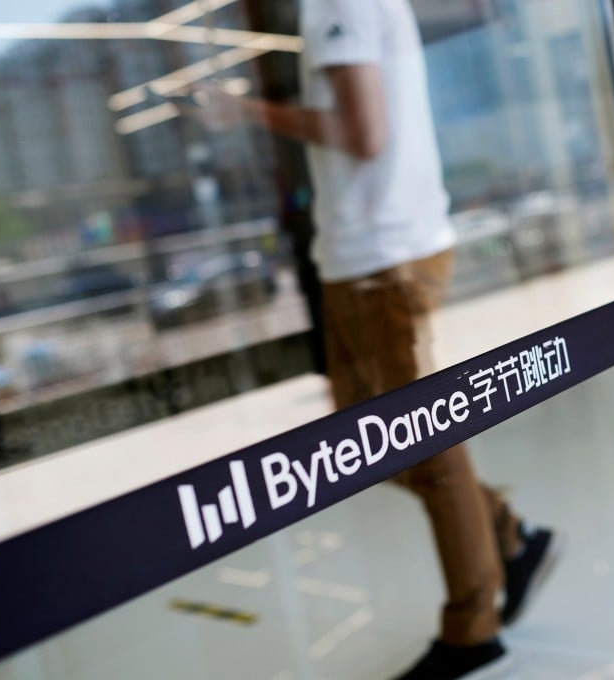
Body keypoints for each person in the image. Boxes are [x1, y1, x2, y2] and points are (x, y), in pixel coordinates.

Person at [193, 1, 559, 677]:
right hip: (362, 258)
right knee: (364, 438)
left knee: (423, 443)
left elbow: (365, 134)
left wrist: (247, 113)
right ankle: (507, 534)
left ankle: (472, 631)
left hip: (383, 260)